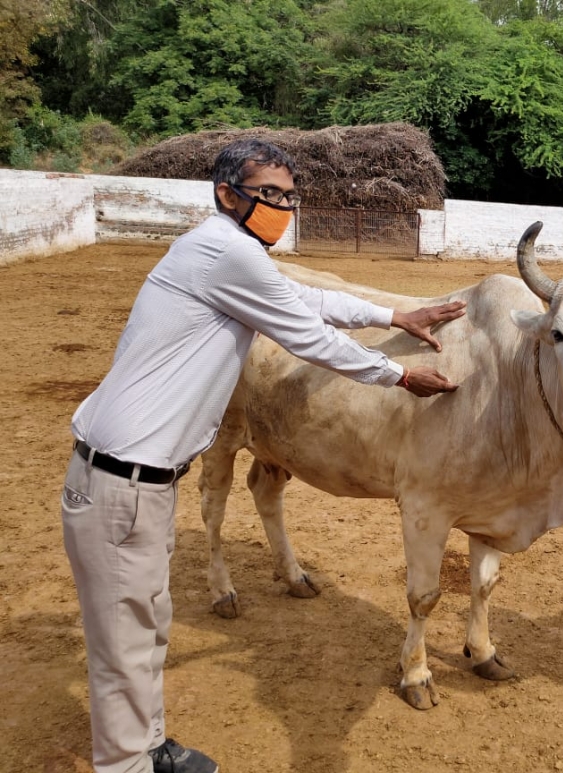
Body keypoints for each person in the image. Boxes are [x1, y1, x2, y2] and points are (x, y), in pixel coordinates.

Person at [60, 138, 466, 773]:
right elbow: (305, 334)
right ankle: (127, 764)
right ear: (227, 194)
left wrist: (393, 312)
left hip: (137, 477)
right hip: (122, 479)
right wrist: (398, 375)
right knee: (125, 637)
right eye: (267, 193)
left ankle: (145, 743)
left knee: (144, 625)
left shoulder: (227, 253)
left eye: (288, 195)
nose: (280, 205)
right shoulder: (224, 250)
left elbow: (311, 302)